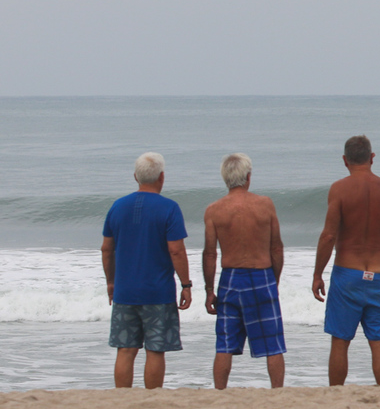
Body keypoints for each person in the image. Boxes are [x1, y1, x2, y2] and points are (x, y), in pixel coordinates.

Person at [313, 135, 380, 386]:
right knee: (378, 341)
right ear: (372, 158)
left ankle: (336, 394)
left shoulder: (340, 189)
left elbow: (329, 236)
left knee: (340, 342)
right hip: (376, 276)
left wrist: (317, 274)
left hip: (347, 276)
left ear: (345, 160)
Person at [101, 152, 192, 389]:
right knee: (155, 349)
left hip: (125, 290)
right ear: (162, 177)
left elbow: (106, 249)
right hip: (158, 292)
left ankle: (122, 397)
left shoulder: (117, 207)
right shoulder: (169, 208)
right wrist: (186, 284)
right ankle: (152, 397)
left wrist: (111, 283)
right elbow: (176, 251)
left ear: (135, 177)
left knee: (126, 349)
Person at [203, 153, 286, 389]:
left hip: (230, 278)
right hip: (261, 275)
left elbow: (210, 254)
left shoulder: (214, 210)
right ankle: (277, 392)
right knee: (273, 343)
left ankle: (220, 392)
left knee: (225, 343)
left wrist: (209, 290)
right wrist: (274, 281)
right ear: (248, 177)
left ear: (225, 179)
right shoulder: (265, 204)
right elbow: (276, 248)